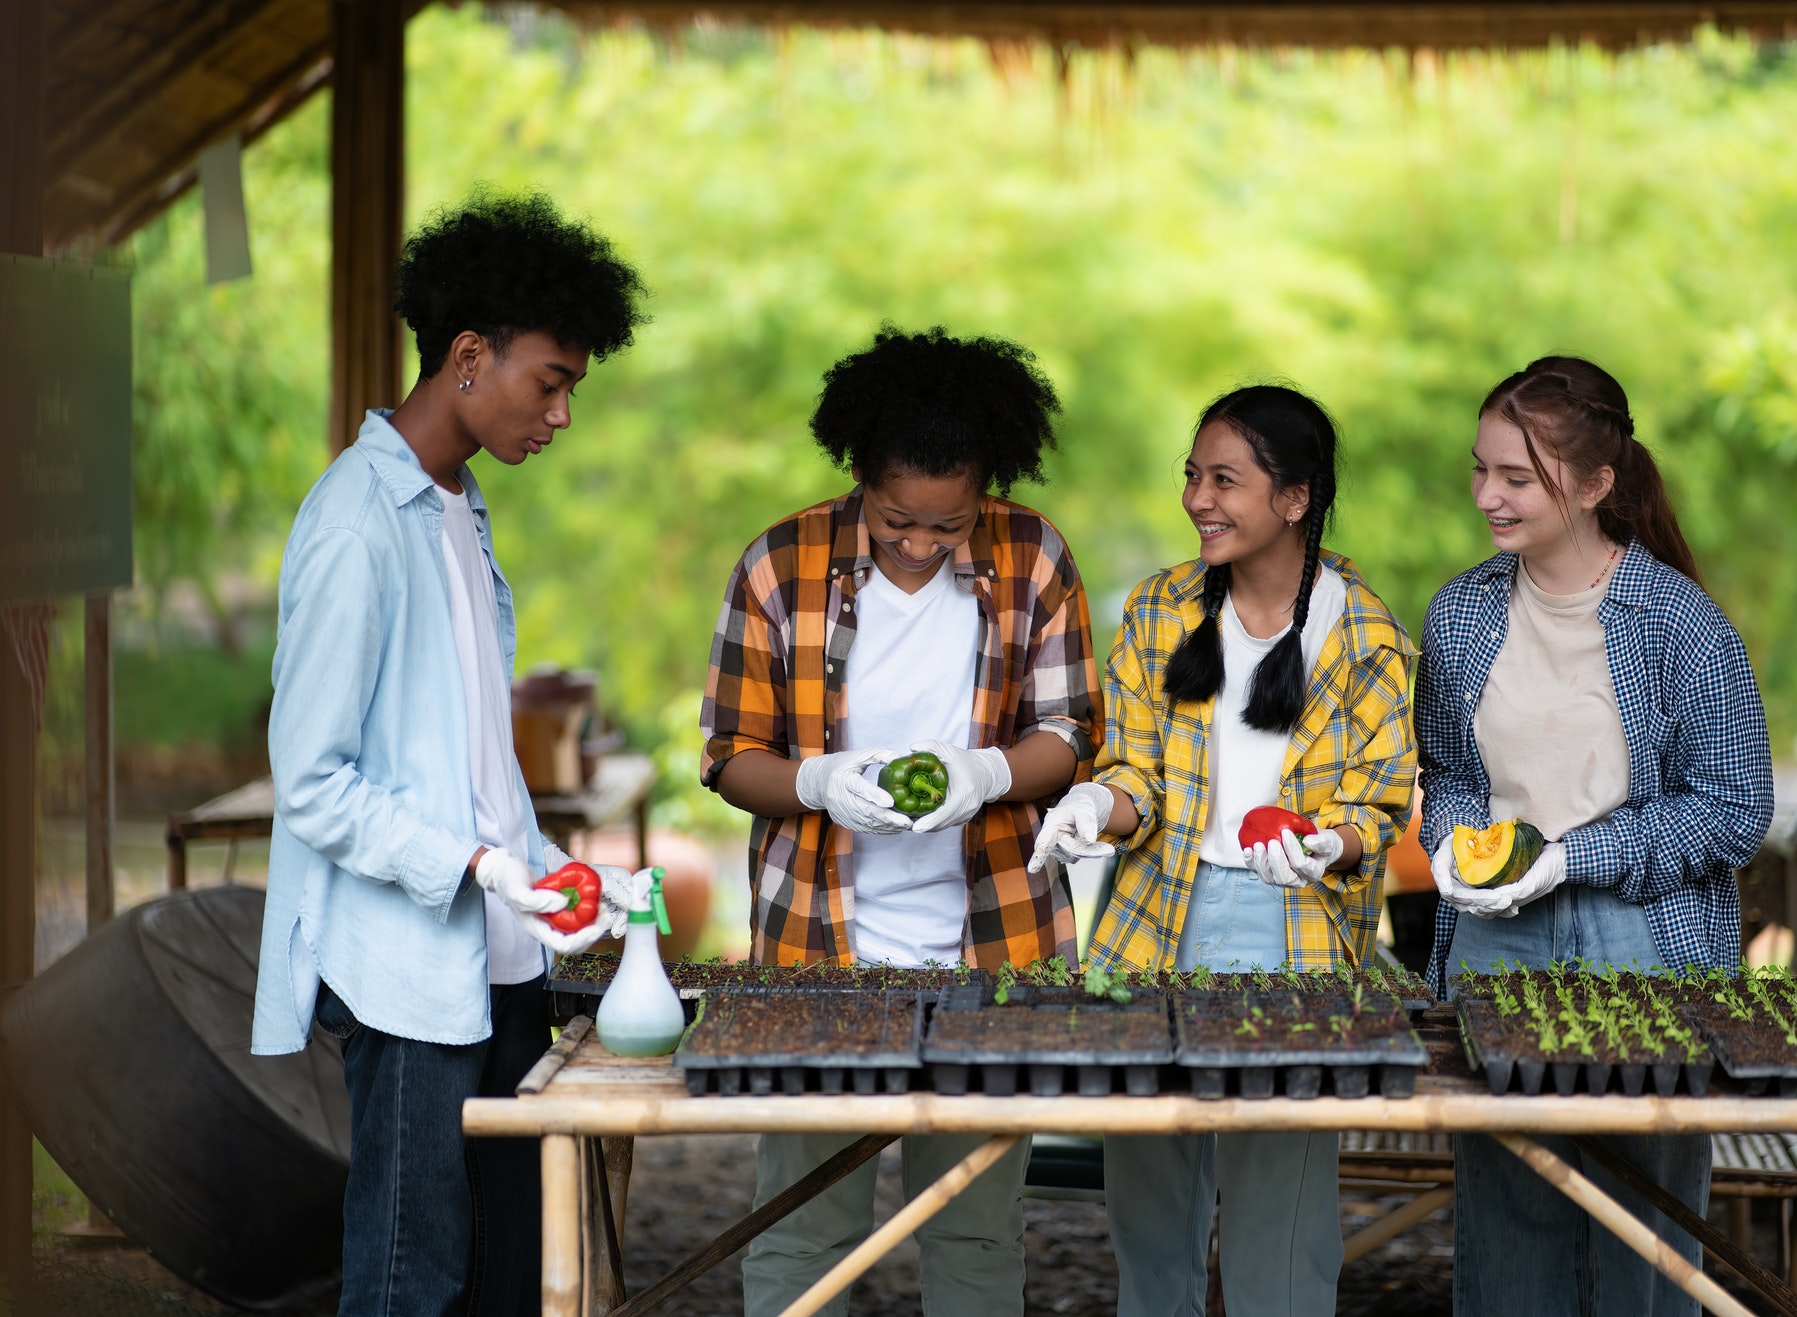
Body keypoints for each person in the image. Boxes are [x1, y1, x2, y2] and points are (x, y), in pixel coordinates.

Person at [251, 191, 649, 1317]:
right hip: (400, 969)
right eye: (553, 381)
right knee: (407, 1277)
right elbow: (314, 782)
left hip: (496, 954)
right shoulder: (354, 523)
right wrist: (478, 869)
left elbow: (471, 761)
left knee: (508, 1275)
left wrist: (558, 881)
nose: (562, 413)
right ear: (469, 358)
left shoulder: (457, 507)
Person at [700, 325, 1103, 1317]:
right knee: (803, 1220)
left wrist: (987, 772)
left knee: (973, 1222)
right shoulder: (777, 565)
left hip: (989, 947)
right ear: (857, 475)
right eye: (895, 524)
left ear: (985, 490)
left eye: (948, 526)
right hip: (816, 955)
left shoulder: (1034, 553)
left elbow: (1071, 732)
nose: (921, 544)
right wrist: (816, 784)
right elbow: (726, 755)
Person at [1031, 384, 1417, 1316]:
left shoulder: (1363, 632)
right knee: (1150, 1210)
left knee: (1279, 1226)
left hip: (1299, 933)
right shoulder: (1162, 607)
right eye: (1193, 475)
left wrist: (1331, 843)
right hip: (1159, 916)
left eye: (1226, 479)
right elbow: (1137, 777)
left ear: (1296, 497)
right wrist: (1095, 803)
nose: (1199, 497)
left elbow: (1384, 801)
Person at [1415, 356, 1774, 1316]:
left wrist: (1575, 857)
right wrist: (1453, 840)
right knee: (1508, 1216)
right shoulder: (1460, 612)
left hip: (1643, 940)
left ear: (1595, 483)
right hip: (1496, 937)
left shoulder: (1683, 624)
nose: (1489, 495)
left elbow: (1736, 807)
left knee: (1643, 1229)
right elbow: (1449, 769)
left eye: (1517, 477)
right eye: (1481, 469)